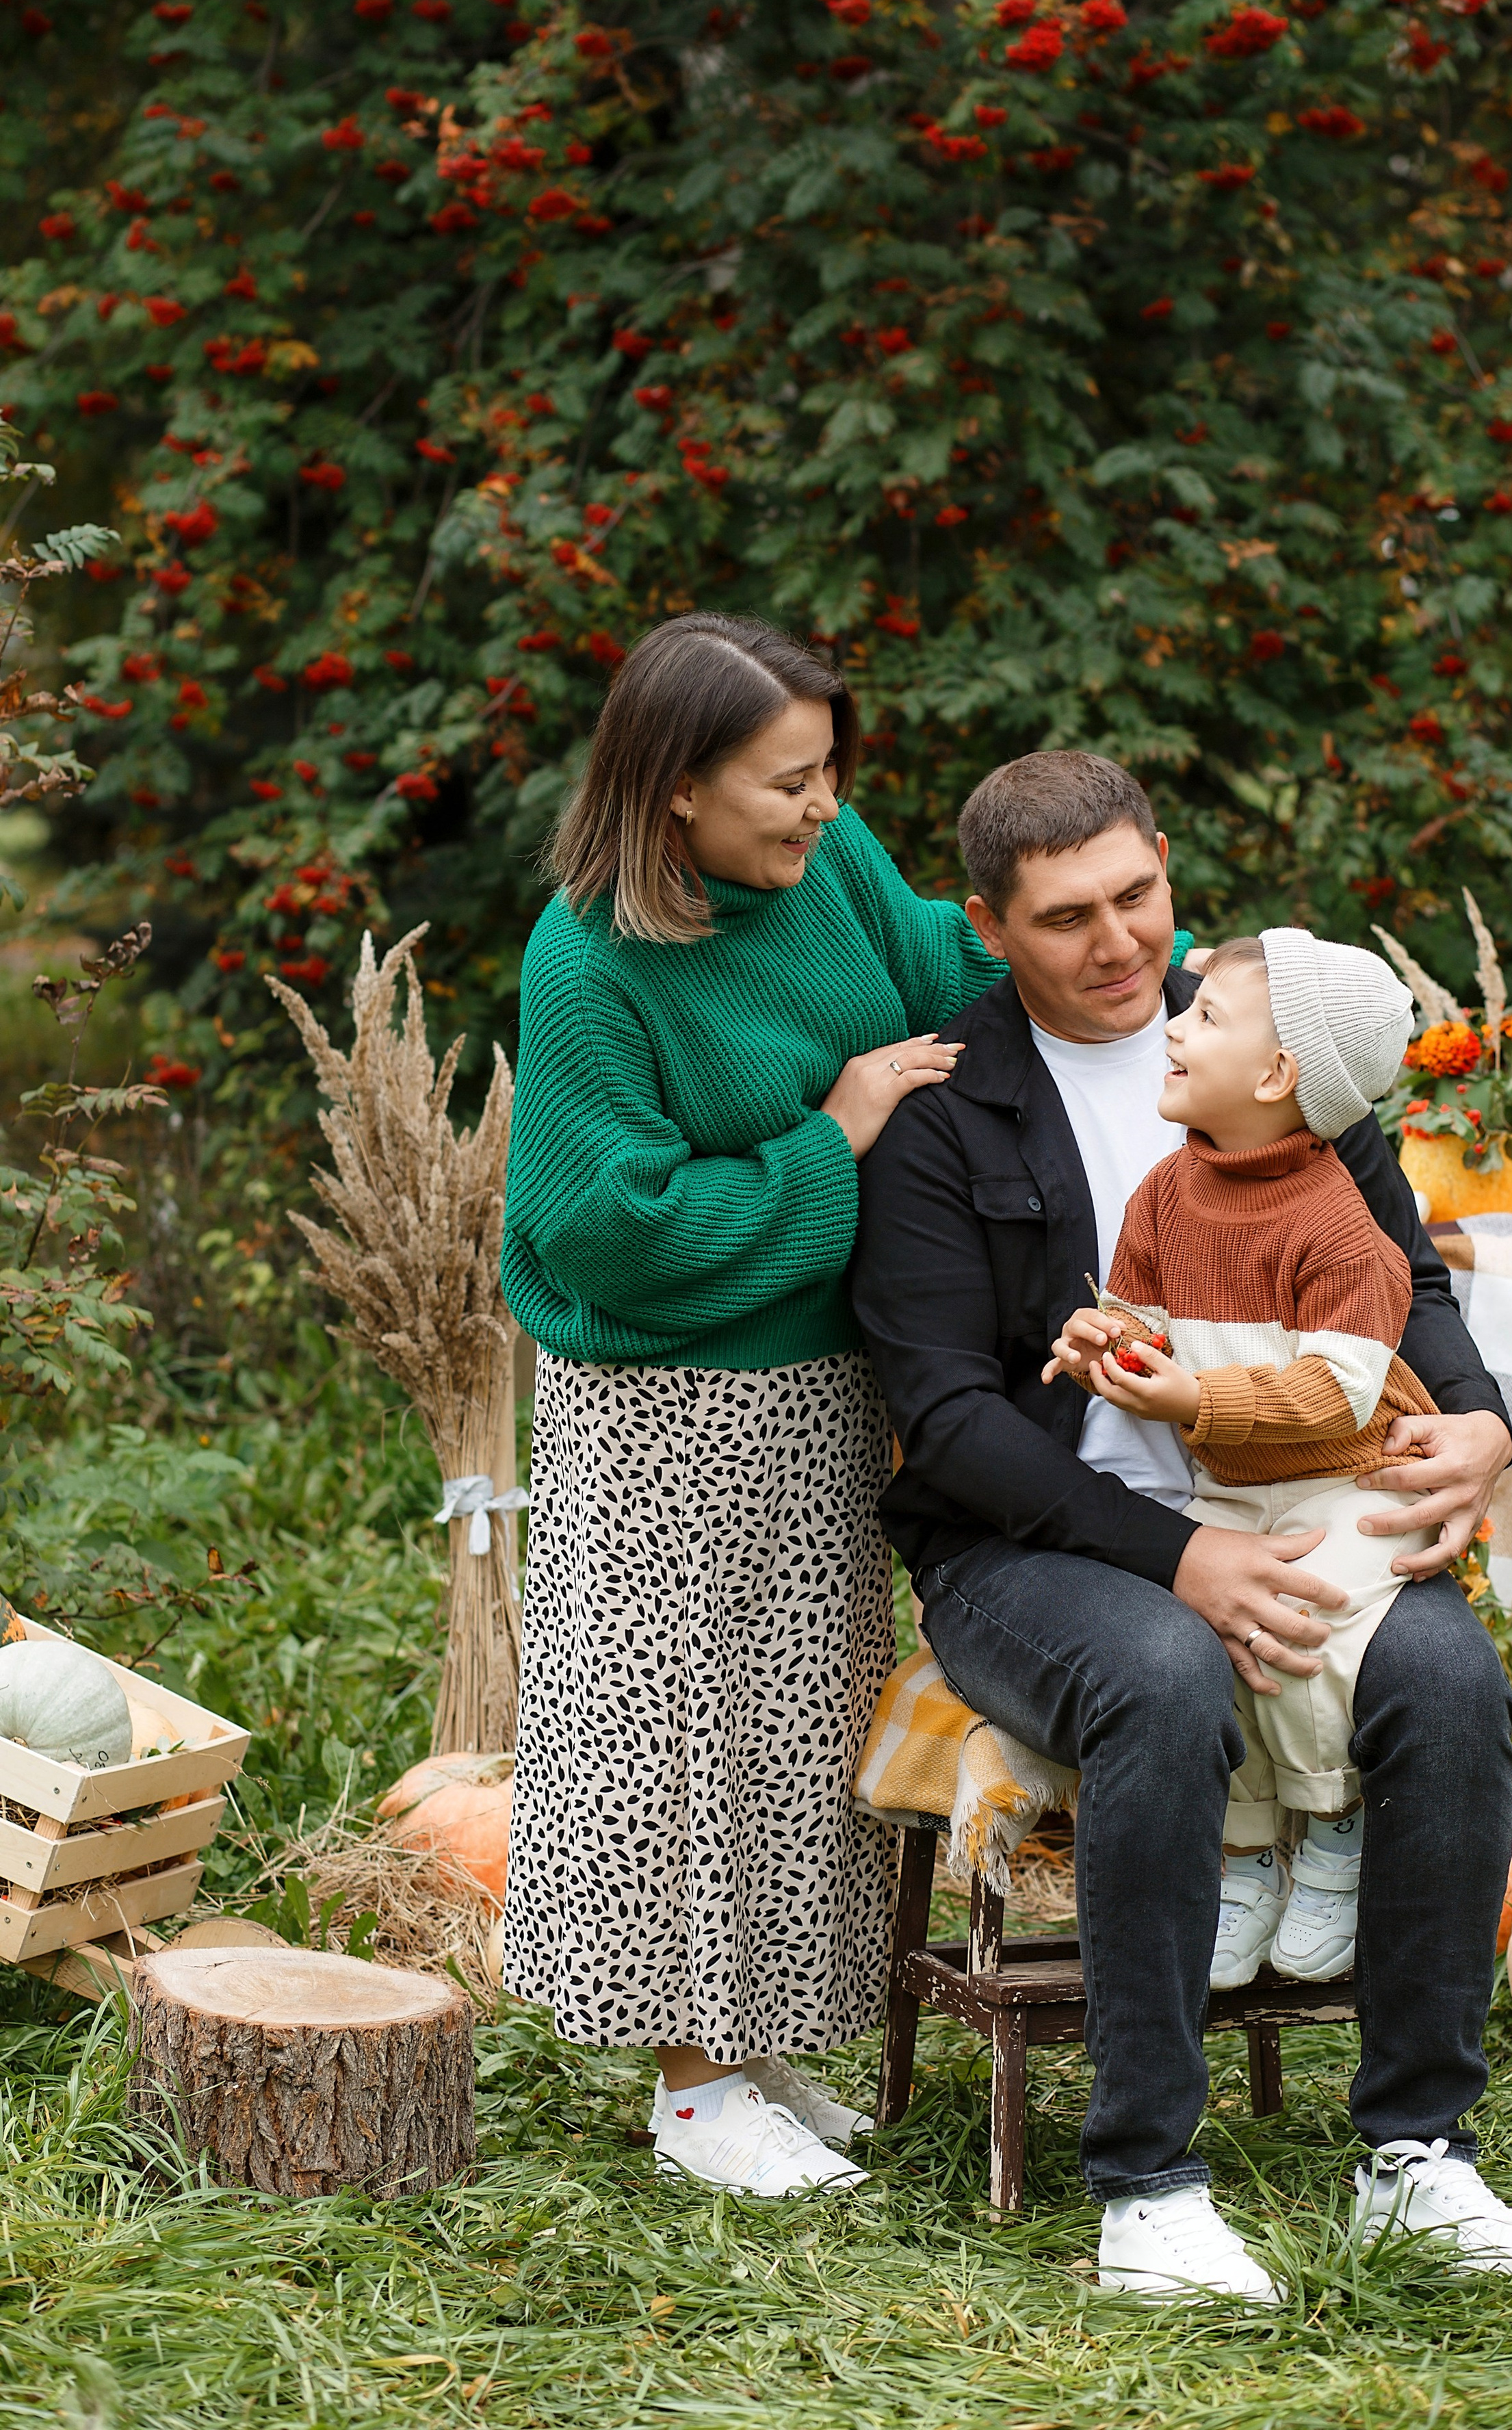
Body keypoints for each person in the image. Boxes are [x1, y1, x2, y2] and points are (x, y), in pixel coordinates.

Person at [851, 749, 1512, 2300]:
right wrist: (1175, 1557)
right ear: (988, 926)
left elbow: (1412, 1285)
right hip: (1027, 1552)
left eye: (1137, 897)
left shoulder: (1273, 1046)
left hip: (1293, 1504)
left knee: (1449, 1685)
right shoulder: (944, 1115)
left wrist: (1474, 1424)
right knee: (1163, 1675)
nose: (1119, 947)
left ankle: (1417, 2157)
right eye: (1063, 920)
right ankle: (1147, 2188)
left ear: (1166, 866)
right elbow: (952, 1417)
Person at [499, 611, 1000, 2199]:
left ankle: (759, 2045)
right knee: (672, 1730)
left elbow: (945, 964)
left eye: (827, 768)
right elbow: (605, 1224)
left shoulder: (824, 865)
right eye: (786, 780)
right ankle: (690, 2084)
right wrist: (834, 1135)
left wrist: (1126, 962)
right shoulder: (587, 959)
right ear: (672, 792)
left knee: (798, 1723)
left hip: (821, 1385)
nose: (823, 805)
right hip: (665, 1405)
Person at [1044, 928, 1439, 1992]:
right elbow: (1139, 1318)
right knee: (1225, 1651)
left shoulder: (1342, 1229)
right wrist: (1103, 1342)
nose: (1173, 1025)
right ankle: (1254, 1849)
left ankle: (1337, 1825)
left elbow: (1336, 1393)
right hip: (1233, 1483)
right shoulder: (1168, 1195)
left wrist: (1192, 1396)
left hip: (1347, 1479)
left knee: (1308, 1637)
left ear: (1277, 1077)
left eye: (1206, 1018)